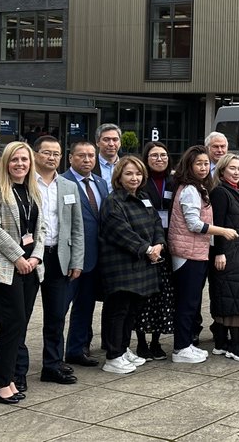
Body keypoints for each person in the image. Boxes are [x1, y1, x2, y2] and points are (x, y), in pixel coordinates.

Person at [0, 141, 46, 404]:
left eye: (24, 160)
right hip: (5, 268)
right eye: (14, 160)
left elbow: (41, 229)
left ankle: (7, 377)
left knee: (20, 325)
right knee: (12, 324)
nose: (20, 164)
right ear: (6, 163)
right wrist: (19, 257)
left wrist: (36, 256)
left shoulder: (33, 192)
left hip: (31, 267)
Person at [168, 146, 238, 363]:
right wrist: (222, 231)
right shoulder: (189, 189)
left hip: (196, 252)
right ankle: (180, 348)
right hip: (186, 253)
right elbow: (194, 224)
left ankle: (187, 343)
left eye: (206, 163)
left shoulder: (199, 187)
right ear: (189, 165)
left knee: (193, 301)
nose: (203, 167)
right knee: (187, 303)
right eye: (198, 163)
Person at [98, 156, 167, 374]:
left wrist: (158, 245)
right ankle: (113, 356)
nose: (134, 178)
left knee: (131, 312)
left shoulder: (144, 197)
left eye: (138, 173)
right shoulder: (113, 201)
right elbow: (121, 232)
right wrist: (148, 250)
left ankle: (124, 348)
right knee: (118, 311)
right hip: (121, 267)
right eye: (129, 173)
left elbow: (156, 222)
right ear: (119, 176)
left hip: (143, 265)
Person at [32, 136, 85, 385]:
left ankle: (52, 365)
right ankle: (15, 367)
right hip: (31, 257)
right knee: (21, 316)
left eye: (56, 153)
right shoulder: (24, 182)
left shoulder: (67, 186)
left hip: (59, 257)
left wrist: (77, 260)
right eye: (46, 153)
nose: (51, 157)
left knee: (56, 316)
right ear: (35, 155)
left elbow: (77, 227)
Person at [60, 140, 108, 367]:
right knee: (61, 308)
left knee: (85, 307)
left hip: (95, 258)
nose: (87, 160)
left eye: (91, 156)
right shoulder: (61, 182)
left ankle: (77, 349)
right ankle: (53, 354)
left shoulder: (100, 183)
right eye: (81, 156)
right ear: (70, 158)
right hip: (69, 258)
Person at [208, 154, 239, 361]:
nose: (237, 172)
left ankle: (221, 342)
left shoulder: (237, 192)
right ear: (221, 171)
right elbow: (218, 225)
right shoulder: (221, 192)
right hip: (227, 253)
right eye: (232, 169)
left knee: (233, 295)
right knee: (232, 298)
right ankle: (234, 345)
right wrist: (219, 252)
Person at [134, 141, 177, 359]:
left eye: (163, 155)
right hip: (145, 245)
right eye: (154, 155)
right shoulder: (140, 183)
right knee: (145, 295)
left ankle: (157, 341)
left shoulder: (174, 181)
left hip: (168, 244)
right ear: (146, 158)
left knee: (164, 295)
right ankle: (141, 341)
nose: (159, 159)